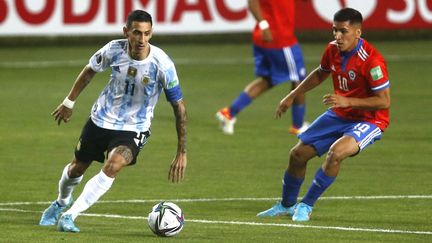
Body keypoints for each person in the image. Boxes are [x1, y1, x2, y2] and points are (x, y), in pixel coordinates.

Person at [39, 10, 187, 232]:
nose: (142, 39)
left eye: (147, 34)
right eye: (137, 33)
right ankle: (61, 202)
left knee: (114, 164)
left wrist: (181, 151)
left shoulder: (162, 64)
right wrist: (69, 102)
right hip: (101, 119)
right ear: (126, 31)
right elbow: (89, 71)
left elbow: (179, 108)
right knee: (76, 168)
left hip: (134, 127)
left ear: (152, 33)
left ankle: (70, 216)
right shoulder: (114, 49)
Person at [257, 8, 390, 221]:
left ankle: (306, 206)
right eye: (334, 30)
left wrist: (348, 100)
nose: (337, 36)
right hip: (340, 114)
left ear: (358, 32)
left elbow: (384, 101)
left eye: (343, 31)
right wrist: (292, 95)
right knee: (297, 154)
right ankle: (286, 205)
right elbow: (321, 73)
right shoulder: (332, 49)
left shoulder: (372, 61)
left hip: (370, 119)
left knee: (335, 153)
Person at [216, 0, 308, 135]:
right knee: (300, 80)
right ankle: (298, 126)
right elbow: (252, 2)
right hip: (279, 38)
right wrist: (264, 26)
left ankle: (229, 113)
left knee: (269, 79)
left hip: (269, 37)